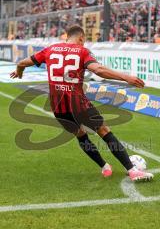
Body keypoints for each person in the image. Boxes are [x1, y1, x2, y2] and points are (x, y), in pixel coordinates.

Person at [10, 25, 153, 182]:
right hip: (78, 103)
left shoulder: (50, 49)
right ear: (81, 38)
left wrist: (19, 71)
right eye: (84, 41)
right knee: (104, 131)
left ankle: (104, 167)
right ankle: (132, 171)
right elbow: (98, 70)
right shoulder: (82, 51)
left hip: (58, 106)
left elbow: (23, 62)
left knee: (80, 134)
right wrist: (126, 77)